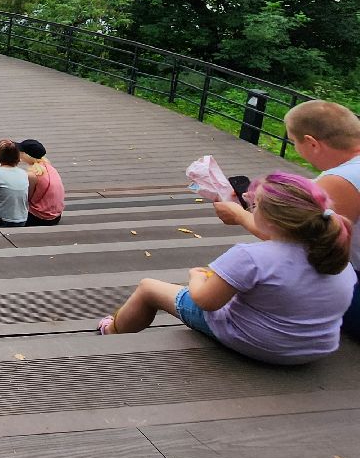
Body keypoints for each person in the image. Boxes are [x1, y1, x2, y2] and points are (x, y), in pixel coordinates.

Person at [100, 173, 355, 364]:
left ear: (266, 218)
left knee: (148, 288)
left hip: (263, 344)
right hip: (316, 348)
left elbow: (205, 302)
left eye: (253, 206)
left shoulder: (250, 256)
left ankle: (112, 331)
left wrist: (196, 278)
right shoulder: (335, 253)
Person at [219, 100, 360, 340]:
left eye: (294, 142)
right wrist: (263, 199)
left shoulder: (340, 180)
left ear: (312, 143)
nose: (296, 148)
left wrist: (240, 215)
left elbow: (298, 241)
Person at [19, 138, 64, 226]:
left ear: (26, 155)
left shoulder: (32, 175)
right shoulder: (49, 167)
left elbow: (26, 197)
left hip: (40, 218)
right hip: (56, 216)